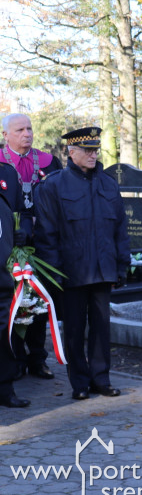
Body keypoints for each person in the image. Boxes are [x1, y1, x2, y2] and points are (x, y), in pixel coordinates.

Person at [33, 127, 129, 401]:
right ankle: (80, 382)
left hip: (103, 269)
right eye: (87, 150)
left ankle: (101, 379)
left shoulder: (109, 184)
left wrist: (121, 267)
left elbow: (120, 230)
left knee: (101, 327)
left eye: (95, 150)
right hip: (71, 271)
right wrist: (53, 273)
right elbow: (47, 234)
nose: (92, 154)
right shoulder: (54, 185)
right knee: (74, 329)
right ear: (71, 152)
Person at [0, 113, 62, 380]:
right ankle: (15, 359)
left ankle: (38, 359)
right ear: (6, 135)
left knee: (38, 302)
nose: (27, 133)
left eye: (29, 128)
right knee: (12, 304)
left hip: (42, 244)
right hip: (9, 244)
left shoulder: (49, 163)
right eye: (20, 129)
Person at [0, 162, 30, 408]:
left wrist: (23, 233)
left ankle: (6, 390)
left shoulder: (8, 173)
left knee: (4, 334)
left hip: (3, 275)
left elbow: (24, 212)